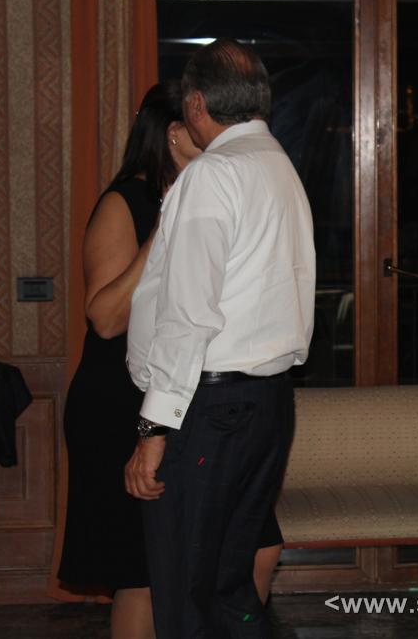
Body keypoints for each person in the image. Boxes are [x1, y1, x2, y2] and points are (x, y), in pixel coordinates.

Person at [58, 80, 283, 638]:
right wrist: (161, 235)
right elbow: (105, 318)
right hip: (122, 400)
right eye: (207, 124)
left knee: (258, 548)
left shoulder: (218, 194)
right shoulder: (126, 202)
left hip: (204, 399)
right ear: (176, 133)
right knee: (144, 573)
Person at [124, 40, 315, 638]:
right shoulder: (278, 165)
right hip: (266, 402)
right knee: (229, 590)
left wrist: (153, 430)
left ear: (197, 104)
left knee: (186, 594)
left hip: (208, 407)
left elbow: (188, 314)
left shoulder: (214, 173)